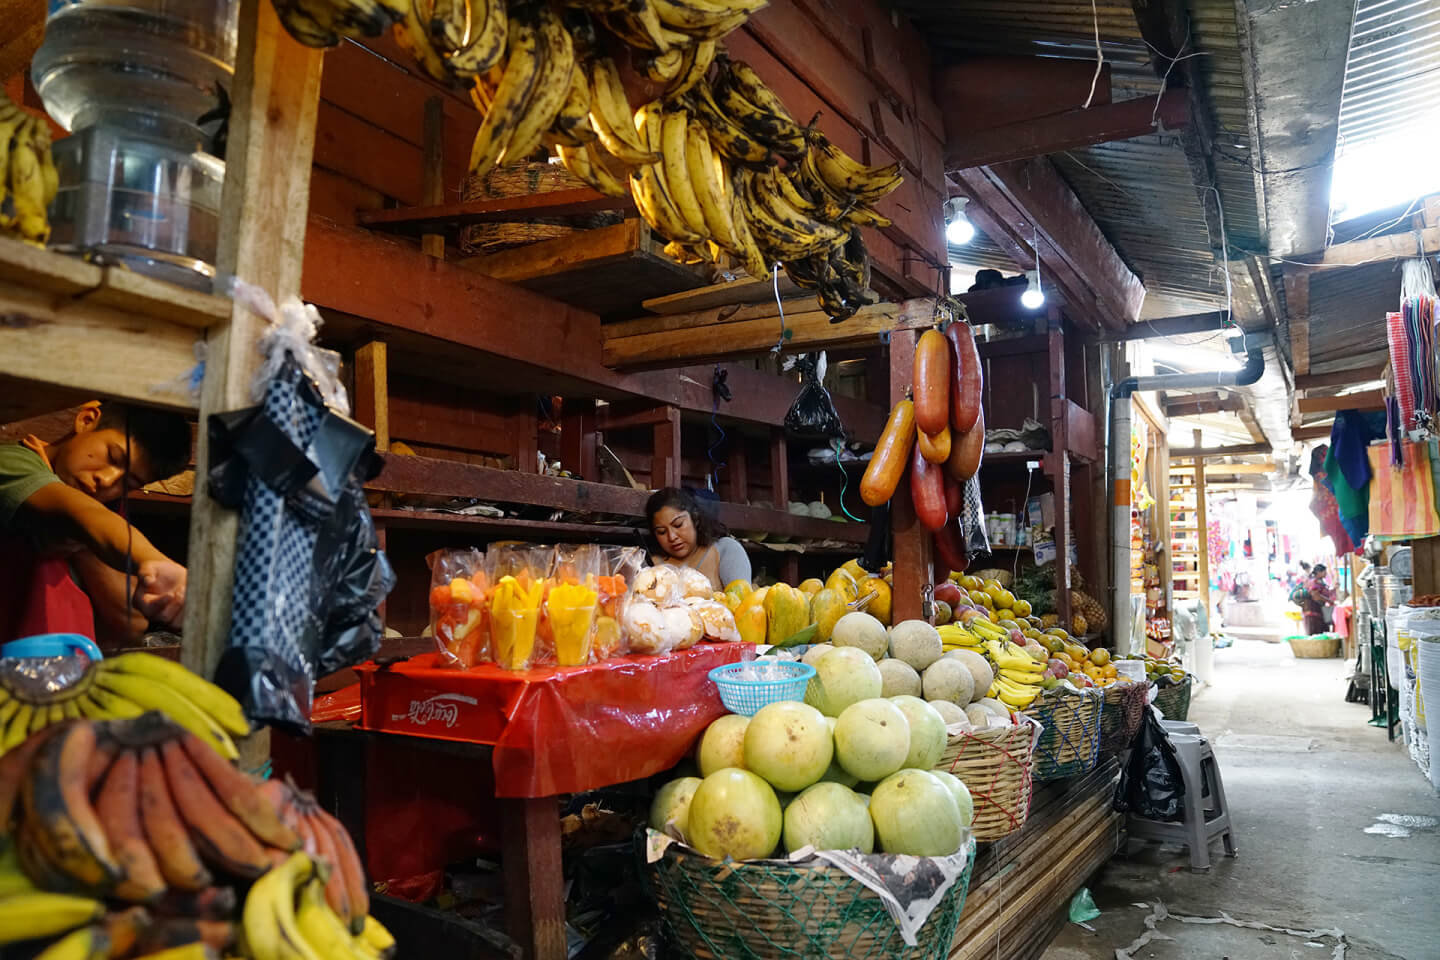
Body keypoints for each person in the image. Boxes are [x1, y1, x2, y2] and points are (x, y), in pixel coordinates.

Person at [0, 402, 191, 645]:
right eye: (113, 456)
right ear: (87, 420)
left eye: (128, 483)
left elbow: (131, 622)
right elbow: (82, 512)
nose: (108, 480)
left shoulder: (108, 509)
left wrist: (80, 542)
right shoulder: (13, 463)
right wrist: (158, 564)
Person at [646, 487, 751, 590]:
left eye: (678, 525)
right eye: (662, 532)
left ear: (695, 518)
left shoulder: (725, 550)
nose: (672, 537)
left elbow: (741, 602)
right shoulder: (650, 566)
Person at [1301, 563, 1335, 636]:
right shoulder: (1314, 581)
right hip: (1313, 610)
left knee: (1314, 632)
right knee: (1316, 631)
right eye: (1324, 572)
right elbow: (1315, 595)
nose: (1326, 574)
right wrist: (1329, 601)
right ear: (1319, 572)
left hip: (1311, 610)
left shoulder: (1313, 580)